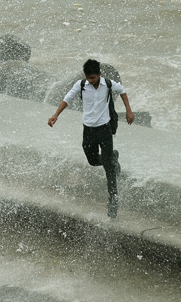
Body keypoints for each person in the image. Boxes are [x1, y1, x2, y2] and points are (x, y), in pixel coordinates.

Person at [47, 59, 134, 218]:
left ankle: (113, 200)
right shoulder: (80, 85)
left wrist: (129, 111)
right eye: (88, 78)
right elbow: (67, 99)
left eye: (93, 78)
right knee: (93, 160)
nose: (90, 81)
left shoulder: (107, 84)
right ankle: (113, 157)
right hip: (88, 131)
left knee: (108, 167)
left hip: (105, 130)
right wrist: (55, 115)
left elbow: (122, 91)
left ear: (99, 74)